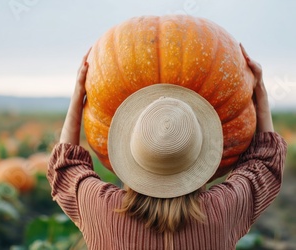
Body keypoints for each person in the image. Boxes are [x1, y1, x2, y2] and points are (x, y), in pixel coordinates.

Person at [47, 44, 287, 250]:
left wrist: (78, 95)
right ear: (199, 157)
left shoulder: (100, 208)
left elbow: (65, 167)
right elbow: (264, 165)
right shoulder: (223, 210)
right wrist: (259, 92)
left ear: (131, 153)